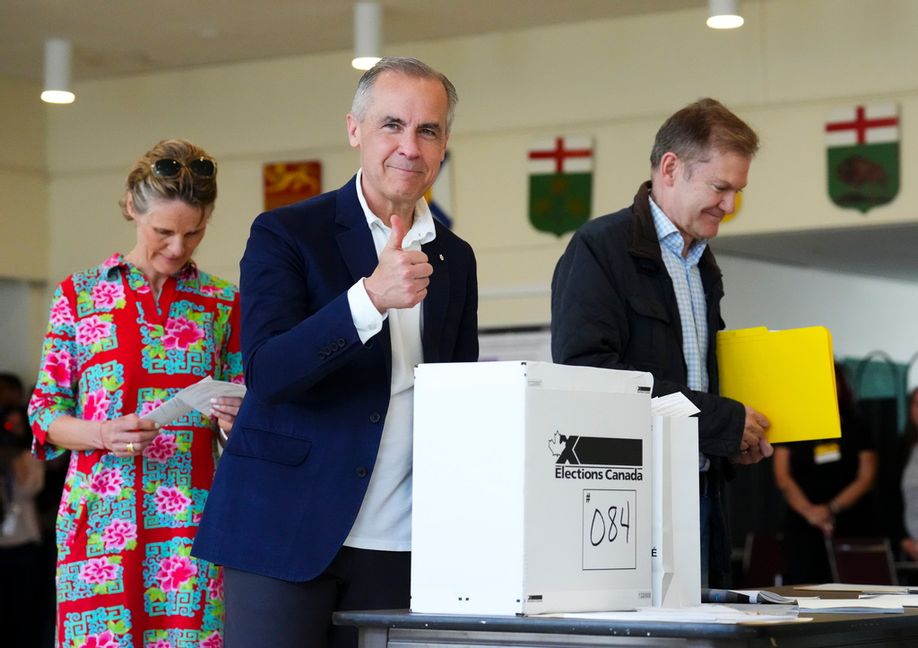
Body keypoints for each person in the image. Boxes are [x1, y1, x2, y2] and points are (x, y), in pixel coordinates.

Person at [193, 57, 478, 648]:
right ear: (354, 130)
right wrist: (369, 299)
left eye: (428, 130)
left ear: (445, 142)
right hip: (284, 528)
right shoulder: (287, 232)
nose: (409, 146)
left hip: (401, 542)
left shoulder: (456, 257)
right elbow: (268, 371)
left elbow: (457, 398)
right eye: (391, 125)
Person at [27, 139, 243, 648]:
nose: (176, 247)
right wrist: (101, 432)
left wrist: (235, 422)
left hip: (191, 527)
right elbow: (43, 412)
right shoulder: (78, 297)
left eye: (194, 233)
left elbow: (241, 415)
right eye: (162, 231)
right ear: (131, 207)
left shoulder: (223, 302)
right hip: (100, 525)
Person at [550, 98, 772, 587]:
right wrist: (719, 421)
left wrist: (732, 439)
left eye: (738, 191)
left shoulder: (701, 262)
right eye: (720, 187)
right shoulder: (598, 249)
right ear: (670, 168)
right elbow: (589, 378)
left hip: (702, 496)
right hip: (627, 506)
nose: (730, 206)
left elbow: (696, 377)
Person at [773, 364, 878, 584]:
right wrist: (811, 513)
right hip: (803, 523)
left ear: (842, 385)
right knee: (803, 587)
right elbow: (783, 476)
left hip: (850, 521)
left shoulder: (857, 425)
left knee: (854, 588)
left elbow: (866, 477)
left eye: (832, 381)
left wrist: (830, 509)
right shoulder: (794, 425)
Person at [0, 405, 45, 647]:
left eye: (20, 425)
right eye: (9, 425)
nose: (14, 430)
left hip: (25, 541)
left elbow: (30, 489)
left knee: (26, 609)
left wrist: (17, 460)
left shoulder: (30, 455)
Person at [892, 387, 918, 564]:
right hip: (910, 547)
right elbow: (888, 499)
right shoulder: (899, 448)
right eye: (917, 404)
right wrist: (903, 540)